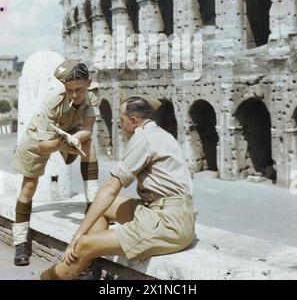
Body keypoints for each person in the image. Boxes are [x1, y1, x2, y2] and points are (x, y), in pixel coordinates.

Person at [40, 96, 196, 280]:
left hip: (169, 225)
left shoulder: (143, 138)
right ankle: (85, 267)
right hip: (174, 214)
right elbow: (108, 197)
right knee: (106, 207)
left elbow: (111, 188)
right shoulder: (159, 133)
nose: (120, 127)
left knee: (83, 244)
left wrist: (77, 236)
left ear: (134, 121)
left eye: (122, 121)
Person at [12, 60, 100, 267]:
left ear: (89, 83)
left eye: (79, 89)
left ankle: (93, 205)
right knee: (29, 187)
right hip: (40, 139)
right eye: (69, 90)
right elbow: (43, 146)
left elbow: (88, 127)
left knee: (89, 147)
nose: (75, 95)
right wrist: (62, 144)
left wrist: (77, 138)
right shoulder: (53, 101)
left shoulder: (93, 94)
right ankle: (20, 242)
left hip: (68, 134)